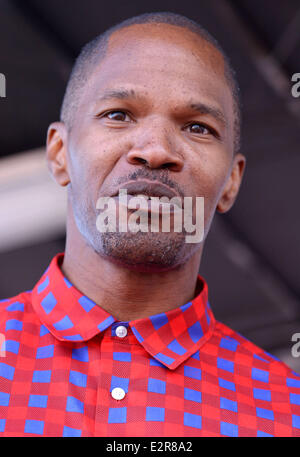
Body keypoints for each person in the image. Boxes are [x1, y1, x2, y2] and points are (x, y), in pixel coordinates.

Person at [0, 11, 299, 438]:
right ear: (59, 152)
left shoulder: (287, 411)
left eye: (198, 127)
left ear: (231, 181)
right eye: (119, 115)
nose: (156, 150)